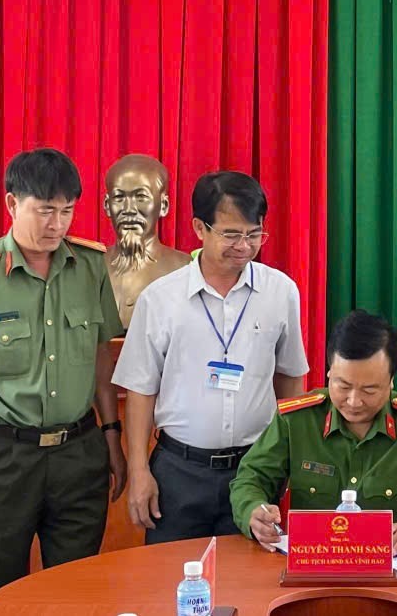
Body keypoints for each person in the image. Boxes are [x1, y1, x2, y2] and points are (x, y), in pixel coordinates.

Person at [0, 148, 127, 609]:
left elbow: (101, 361)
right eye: (46, 210)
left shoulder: (90, 266)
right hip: (2, 459)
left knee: (76, 596)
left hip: (79, 454)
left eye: (67, 211)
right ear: (12, 204)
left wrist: (112, 439)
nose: (57, 224)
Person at [113, 170, 310, 543]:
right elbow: (140, 390)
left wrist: (286, 457)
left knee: (249, 574)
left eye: (254, 234)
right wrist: (139, 470)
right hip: (179, 470)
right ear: (199, 228)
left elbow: (290, 378)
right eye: (231, 234)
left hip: (255, 468)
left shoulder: (280, 292)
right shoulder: (160, 298)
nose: (244, 246)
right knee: (171, 572)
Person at [230, 310, 397, 553]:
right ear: (329, 372)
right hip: (312, 561)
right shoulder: (296, 420)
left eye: (369, 390)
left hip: (392, 564)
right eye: (342, 385)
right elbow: (251, 477)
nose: (353, 401)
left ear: (391, 381)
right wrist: (252, 510)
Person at [103, 154, 191, 326]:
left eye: (141, 197)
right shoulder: (91, 267)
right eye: (119, 198)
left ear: (163, 205)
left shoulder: (184, 269)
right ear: (107, 205)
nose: (129, 209)